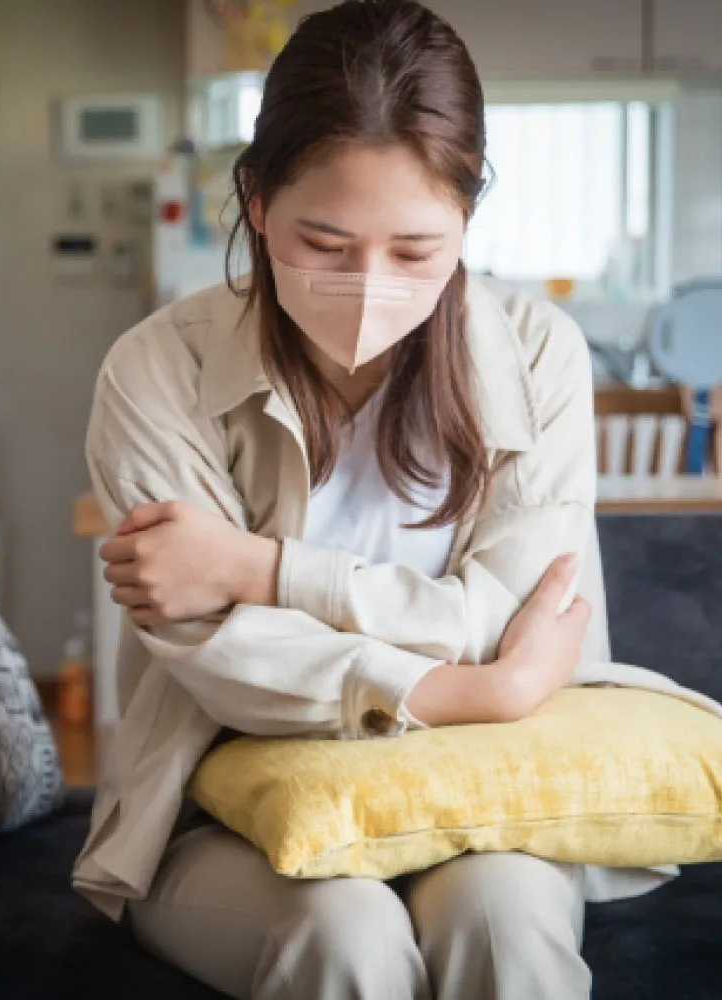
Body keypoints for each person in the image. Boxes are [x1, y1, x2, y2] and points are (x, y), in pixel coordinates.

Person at [72, 2, 683, 997]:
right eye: (324, 242)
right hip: (220, 808)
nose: (368, 286)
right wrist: (473, 690)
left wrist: (261, 569)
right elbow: (228, 667)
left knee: (504, 924)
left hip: (485, 785)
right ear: (257, 201)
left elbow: (515, 613)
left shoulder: (539, 354)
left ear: (468, 218)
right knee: (344, 934)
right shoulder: (154, 371)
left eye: (415, 251)